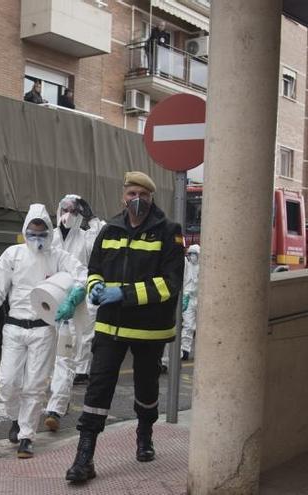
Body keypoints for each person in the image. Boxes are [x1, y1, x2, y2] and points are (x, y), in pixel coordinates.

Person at [65, 172, 185, 483]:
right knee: (98, 387)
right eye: (132, 193)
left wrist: (125, 293)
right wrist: (95, 286)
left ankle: (145, 434)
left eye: (143, 195)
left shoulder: (168, 231)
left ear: (151, 198)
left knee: (146, 388)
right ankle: (84, 457)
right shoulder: (110, 230)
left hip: (149, 328)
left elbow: (170, 285)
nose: (137, 200)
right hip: (110, 325)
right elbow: (95, 269)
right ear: (123, 196)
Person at [0, 204, 87, 459]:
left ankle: (26, 435)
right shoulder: (13, 254)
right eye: (32, 233)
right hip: (14, 327)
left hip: (43, 330)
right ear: (25, 231)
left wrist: (73, 297)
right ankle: (16, 418)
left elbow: (82, 275)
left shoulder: (58, 256)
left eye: (42, 233)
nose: (37, 239)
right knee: (7, 383)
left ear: (49, 232)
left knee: (35, 386)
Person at [44, 195, 103, 431]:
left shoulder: (86, 237)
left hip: (76, 305)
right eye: (63, 209)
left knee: (65, 356)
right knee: (47, 357)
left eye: (73, 210)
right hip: (51, 301)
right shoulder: (51, 237)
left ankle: (55, 409)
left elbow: (99, 248)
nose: (67, 214)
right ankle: (61, 397)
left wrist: (93, 219)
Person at [180, 244, 200, 361]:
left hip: (200, 299)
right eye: (190, 254)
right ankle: (185, 349)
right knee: (188, 325)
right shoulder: (187, 266)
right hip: (188, 298)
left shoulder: (204, 267)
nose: (192, 257)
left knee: (201, 326)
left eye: (194, 254)